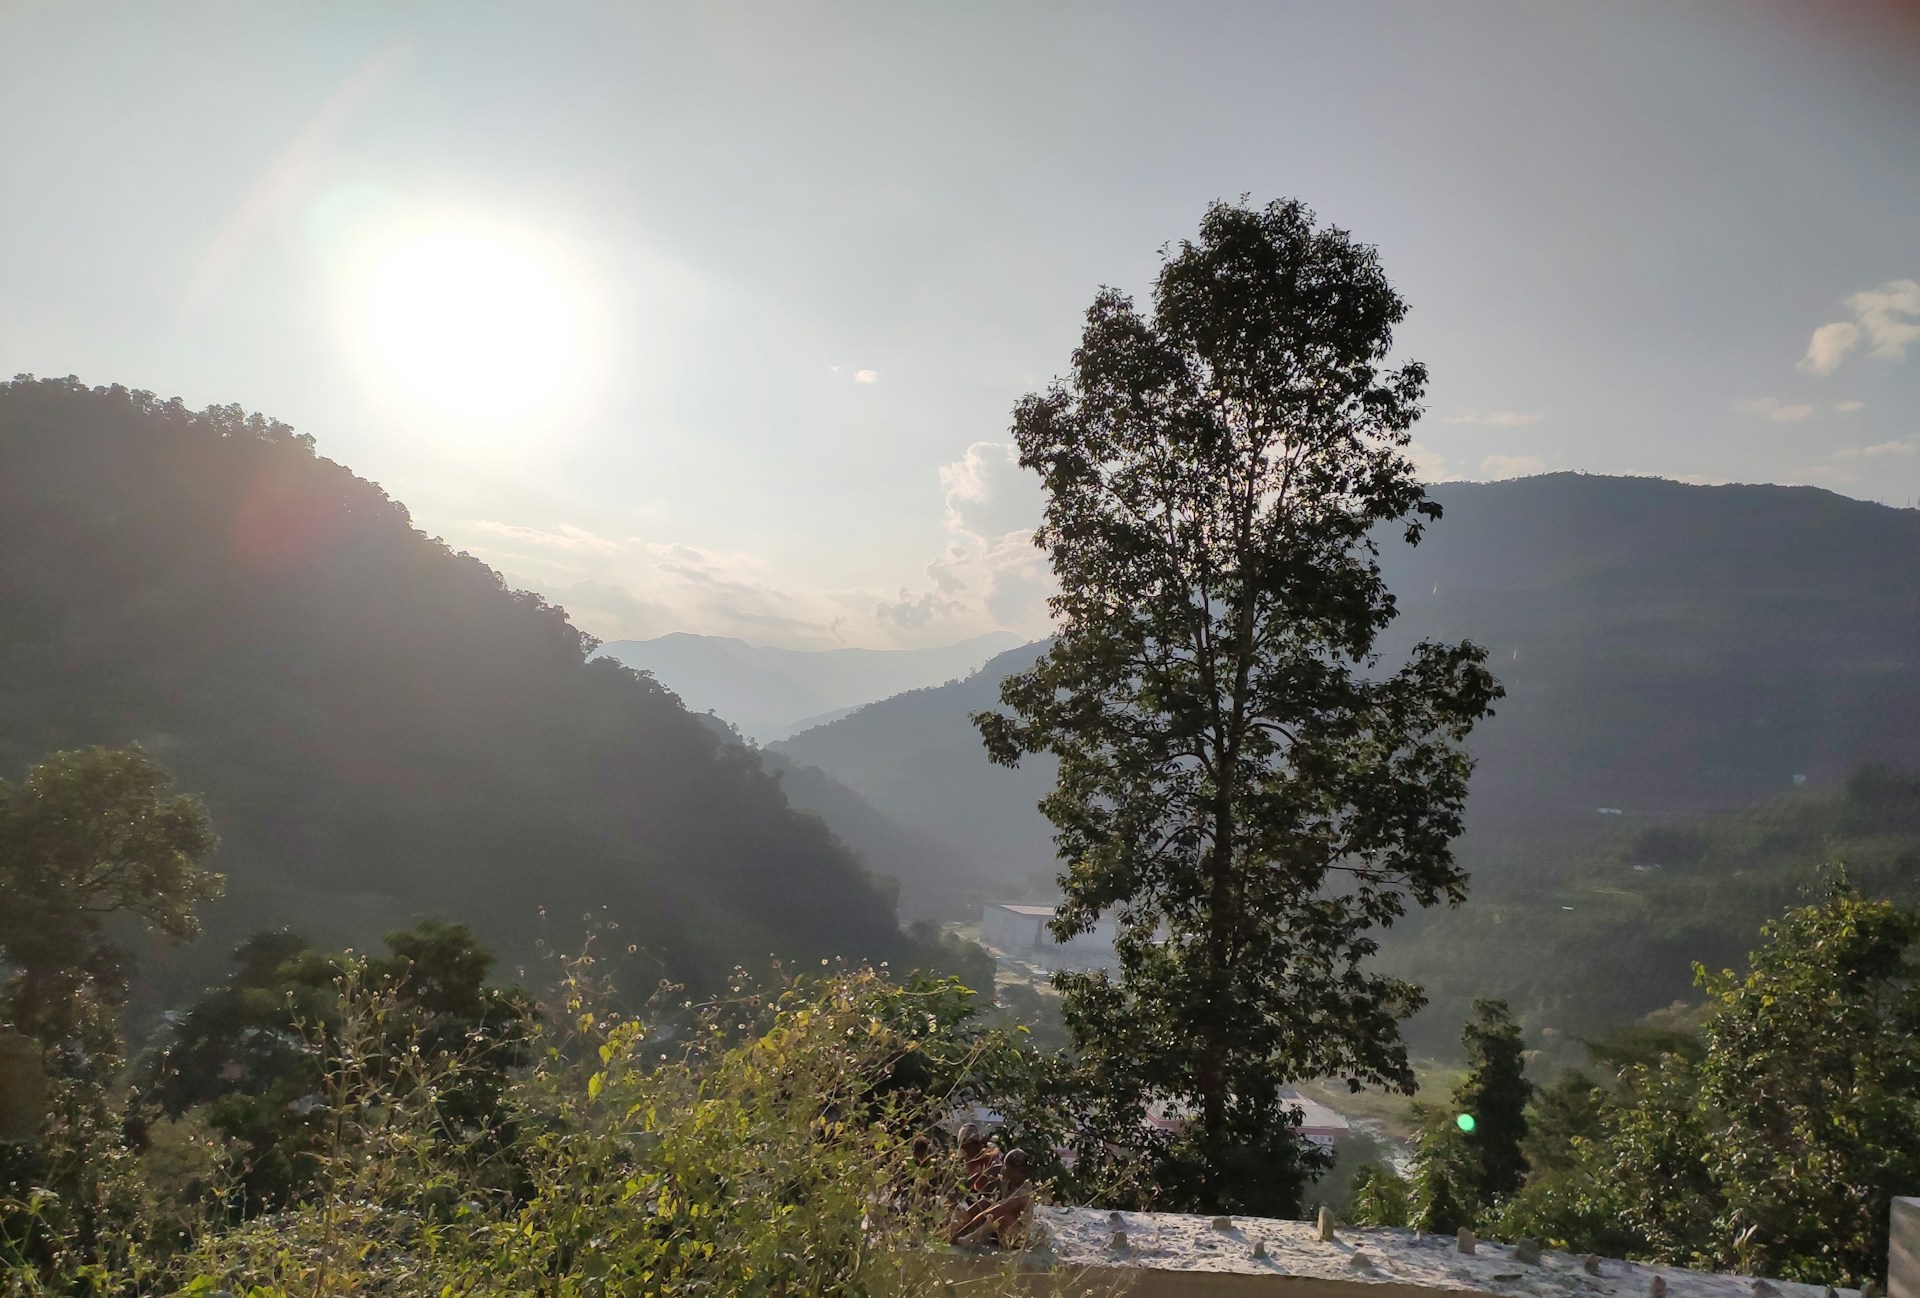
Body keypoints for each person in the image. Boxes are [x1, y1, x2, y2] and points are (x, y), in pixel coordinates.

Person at [950, 1148, 1034, 1249]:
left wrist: (975, 1221)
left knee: (1002, 1216)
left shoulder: (1024, 1191)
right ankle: (954, 1226)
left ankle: (970, 1239)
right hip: (1001, 1231)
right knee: (985, 1202)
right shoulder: (1009, 1180)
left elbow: (1002, 1209)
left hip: (1016, 1236)